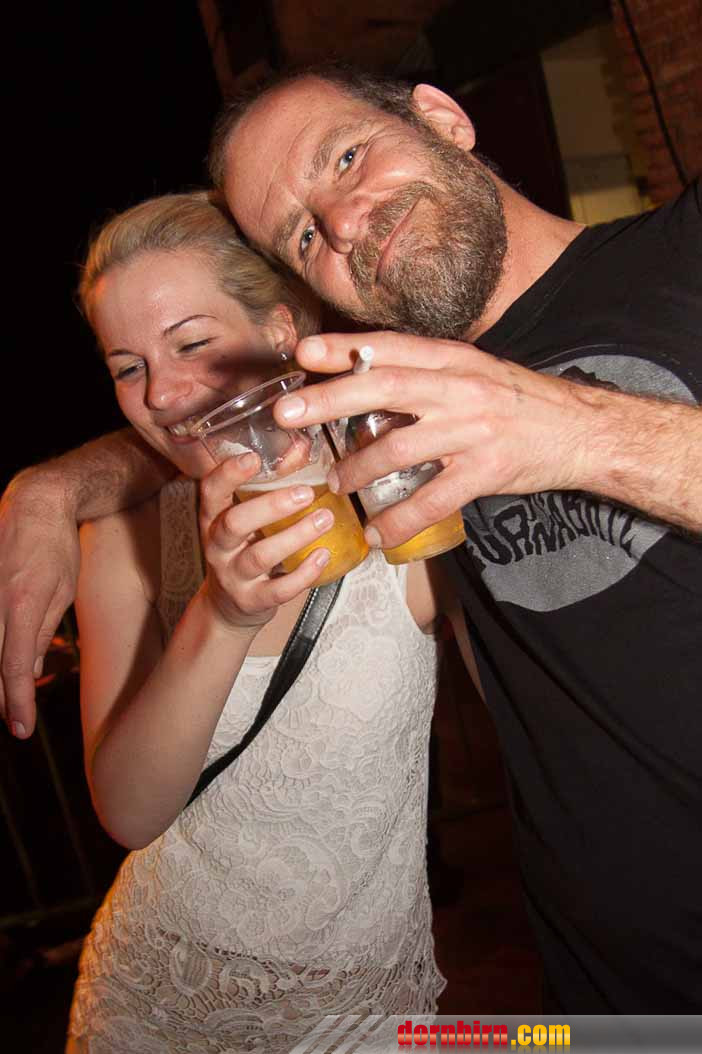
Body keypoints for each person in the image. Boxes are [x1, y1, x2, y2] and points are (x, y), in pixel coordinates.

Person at [1, 64, 700, 1012]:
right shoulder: (392, 421)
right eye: (300, 234)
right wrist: (48, 487)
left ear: (443, 117)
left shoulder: (682, 251)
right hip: (606, 996)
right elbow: (210, 419)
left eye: (344, 156)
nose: (339, 221)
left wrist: (578, 431)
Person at [55, 190, 454, 1051]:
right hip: (162, 1002)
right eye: (126, 367)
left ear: (279, 331)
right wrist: (222, 615)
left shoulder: (399, 484)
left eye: (191, 343)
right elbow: (128, 812)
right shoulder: (120, 538)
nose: (162, 394)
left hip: (364, 1013)